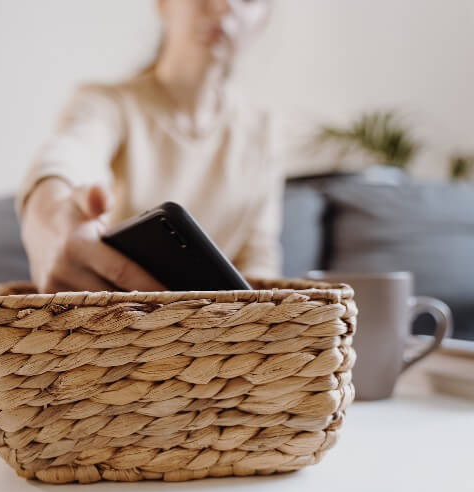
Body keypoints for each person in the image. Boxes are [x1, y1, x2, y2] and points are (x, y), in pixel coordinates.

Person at [18, 0, 281, 293]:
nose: (223, 5)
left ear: (263, 20)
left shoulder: (262, 131)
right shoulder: (106, 103)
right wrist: (49, 206)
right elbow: (70, 153)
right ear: (162, 4)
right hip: (125, 322)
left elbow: (259, 259)